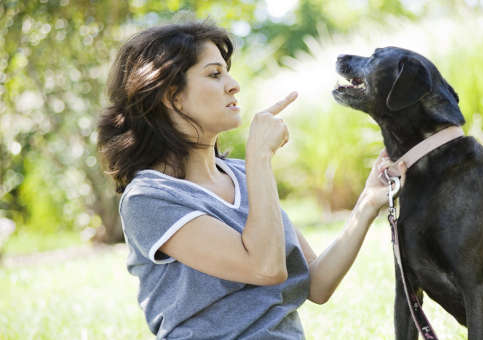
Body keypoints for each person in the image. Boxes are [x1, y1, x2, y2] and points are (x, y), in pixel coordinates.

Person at [97, 21, 406, 340]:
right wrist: (259, 157)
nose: (233, 85)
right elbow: (266, 268)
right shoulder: (149, 198)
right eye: (215, 74)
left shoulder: (244, 176)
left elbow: (316, 284)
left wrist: (367, 203)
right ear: (171, 97)